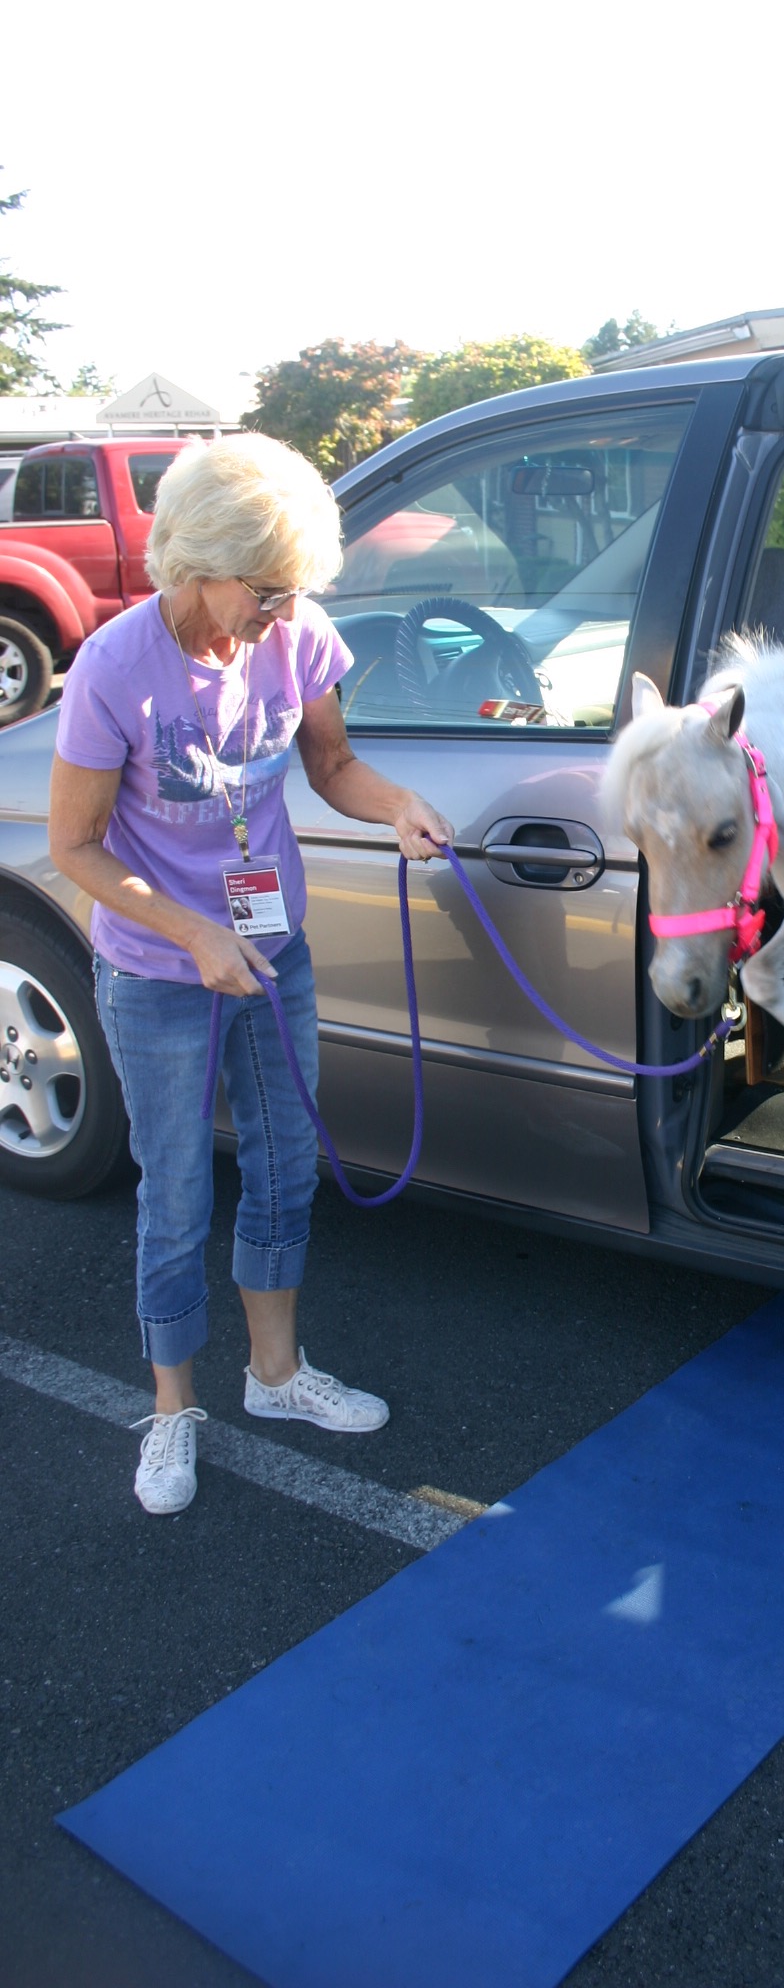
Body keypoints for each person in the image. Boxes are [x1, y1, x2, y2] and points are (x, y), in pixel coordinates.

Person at [48, 434, 454, 1516]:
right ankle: (172, 1405)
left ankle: (274, 1377)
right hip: (160, 969)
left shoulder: (294, 636)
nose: (280, 613)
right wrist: (191, 933)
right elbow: (78, 845)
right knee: (176, 1190)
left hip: (272, 949)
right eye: (263, 591)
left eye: (293, 591)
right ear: (195, 559)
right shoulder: (116, 668)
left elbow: (330, 764)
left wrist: (395, 803)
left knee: (282, 1171)